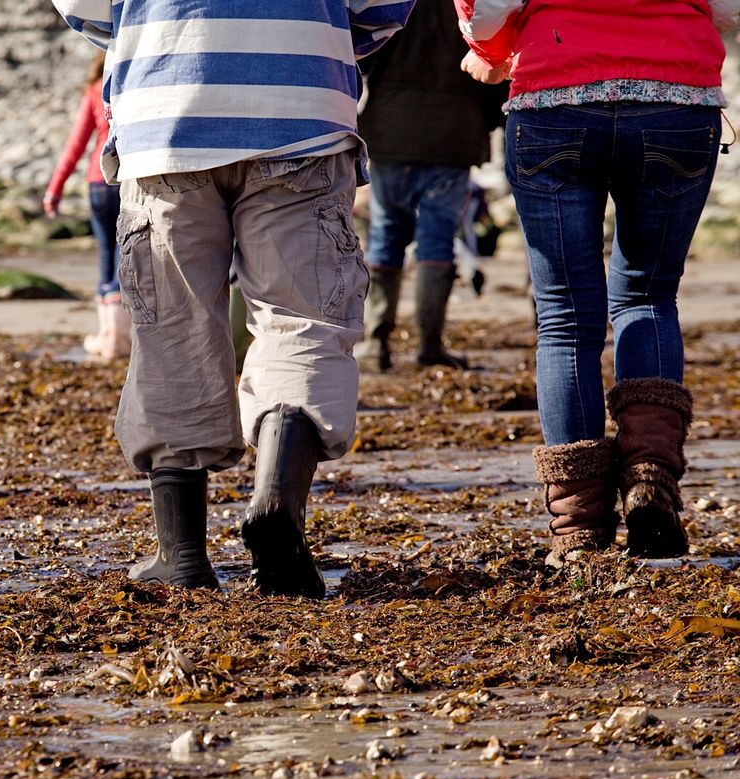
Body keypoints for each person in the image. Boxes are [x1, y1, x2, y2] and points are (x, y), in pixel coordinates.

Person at [52, 0, 415, 598]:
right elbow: (380, 7)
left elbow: (84, 7)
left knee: (173, 329)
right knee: (304, 321)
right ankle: (276, 500)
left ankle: (184, 555)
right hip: (302, 114)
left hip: (164, 114)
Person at [457, 0, 736, 564]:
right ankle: (651, 479)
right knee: (649, 297)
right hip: (677, 100)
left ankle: (579, 522)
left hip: (556, 100)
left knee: (565, 318)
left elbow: (484, 9)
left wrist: (487, 51)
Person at [355, 0, 507, 372]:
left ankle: (376, 342)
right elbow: (492, 65)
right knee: (437, 239)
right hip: (453, 135)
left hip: (390, 131)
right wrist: (485, 122)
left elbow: (363, 54)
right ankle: (430, 346)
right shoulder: (472, 3)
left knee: (386, 234)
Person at [43, 52, 128, 361]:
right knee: (124, 256)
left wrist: (55, 189)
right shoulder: (130, 87)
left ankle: (109, 336)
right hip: (128, 179)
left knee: (107, 255)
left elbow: (75, 145)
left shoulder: (94, 92)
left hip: (98, 183)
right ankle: (119, 338)